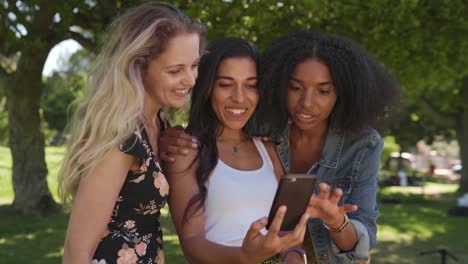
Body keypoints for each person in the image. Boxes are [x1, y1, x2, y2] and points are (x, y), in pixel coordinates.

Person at [161, 30, 400, 263]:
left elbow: (361, 243)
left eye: (323, 91)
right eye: (295, 88)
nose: (307, 103)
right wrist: (168, 137)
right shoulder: (266, 131)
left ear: (342, 93)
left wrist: (336, 222)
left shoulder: (361, 145)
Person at [58, 2, 206, 263]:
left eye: (194, 65)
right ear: (139, 65)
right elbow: (76, 252)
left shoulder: (158, 125)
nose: (191, 80)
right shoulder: (121, 138)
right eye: (175, 70)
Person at [166, 37, 311, 264]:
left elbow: (286, 230)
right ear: (207, 87)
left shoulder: (269, 149)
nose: (239, 97)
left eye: (250, 85)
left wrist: (293, 256)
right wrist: (245, 257)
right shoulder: (186, 150)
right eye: (226, 84)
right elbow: (193, 243)